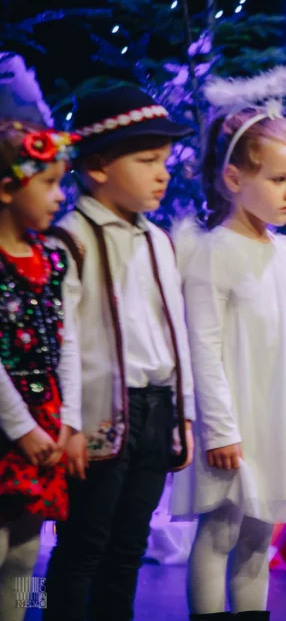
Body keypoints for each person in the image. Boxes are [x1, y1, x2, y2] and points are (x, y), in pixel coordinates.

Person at [170, 69, 286, 621]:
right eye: (279, 179)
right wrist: (220, 429)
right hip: (234, 424)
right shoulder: (214, 253)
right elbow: (202, 349)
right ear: (234, 179)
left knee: (259, 539)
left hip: (278, 419)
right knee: (220, 532)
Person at [43, 86, 196, 621]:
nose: (163, 173)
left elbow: (173, 331)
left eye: (166, 162)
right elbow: (61, 339)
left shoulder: (156, 239)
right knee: (83, 545)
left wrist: (186, 414)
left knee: (130, 546)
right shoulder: (70, 239)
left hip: (155, 410)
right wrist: (71, 421)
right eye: (149, 161)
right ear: (98, 166)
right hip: (100, 413)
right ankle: (35, 609)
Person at [0, 120, 80, 621]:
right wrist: (21, 428)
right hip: (9, 424)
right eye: (48, 182)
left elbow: (67, 342)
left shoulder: (53, 257)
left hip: (47, 421)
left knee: (29, 551)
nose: (59, 195)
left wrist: (67, 418)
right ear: (8, 188)